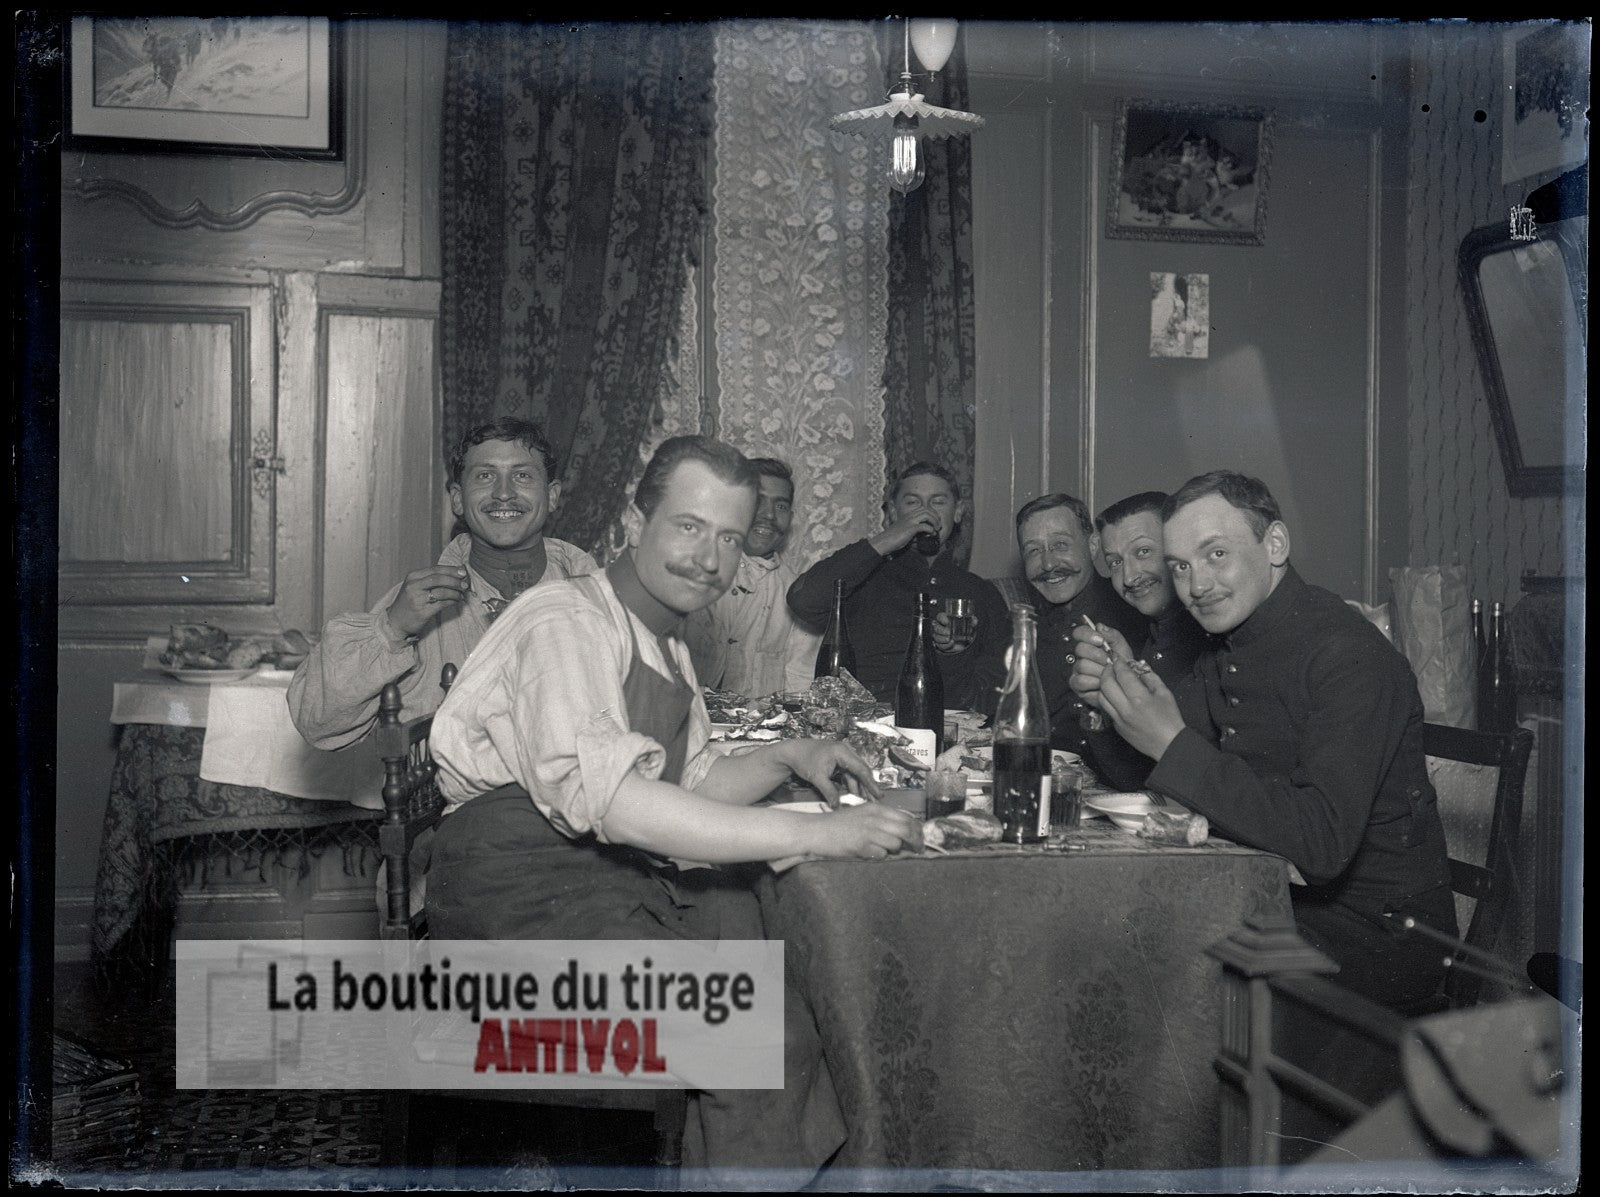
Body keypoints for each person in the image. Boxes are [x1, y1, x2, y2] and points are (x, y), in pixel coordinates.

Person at [425, 435, 921, 1172]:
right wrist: (821, 833)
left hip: (591, 878)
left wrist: (790, 754)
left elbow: (687, 782)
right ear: (635, 522)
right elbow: (621, 804)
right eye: (689, 526)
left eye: (728, 536)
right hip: (513, 908)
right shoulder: (565, 620)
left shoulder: (662, 640)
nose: (709, 558)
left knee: (785, 965)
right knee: (755, 1021)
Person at [1069, 470, 1455, 1010]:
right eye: (1179, 566)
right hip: (1276, 902)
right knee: (1097, 929)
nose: (1196, 585)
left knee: (1151, 967)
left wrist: (1170, 741)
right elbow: (1167, 787)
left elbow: (1321, 844)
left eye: (1216, 555)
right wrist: (1113, 706)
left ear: (1274, 544)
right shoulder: (1226, 641)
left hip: (1377, 938)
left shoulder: (1349, 656)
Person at [288, 417, 596, 750]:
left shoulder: (595, 597)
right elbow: (317, 724)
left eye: (522, 476)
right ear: (458, 499)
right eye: (485, 476)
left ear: (551, 496)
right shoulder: (419, 604)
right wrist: (391, 628)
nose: (504, 493)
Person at [786, 462, 1008, 712]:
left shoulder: (981, 593)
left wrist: (954, 655)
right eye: (913, 503)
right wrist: (886, 540)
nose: (926, 512)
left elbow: (994, 694)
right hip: (863, 731)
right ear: (892, 512)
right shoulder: (864, 577)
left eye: (938, 502)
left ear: (957, 512)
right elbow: (803, 600)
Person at [1013, 493, 1146, 776]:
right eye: (1034, 551)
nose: (1048, 564)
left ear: (1093, 545)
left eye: (1060, 545)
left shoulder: (1137, 615)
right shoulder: (1027, 626)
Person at [1085, 490, 1211, 789]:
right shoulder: (1143, 637)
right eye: (1114, 562)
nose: (1128, 577)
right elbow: (1134, 780)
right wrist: (1102, 706)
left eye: (1143, 552)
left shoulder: (1214, 639)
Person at [684, 456, 820, 698]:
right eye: (757, 501)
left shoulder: (799, 594)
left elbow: (801, 683)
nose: (769, 515)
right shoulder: (688, 573)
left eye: (780, 506)